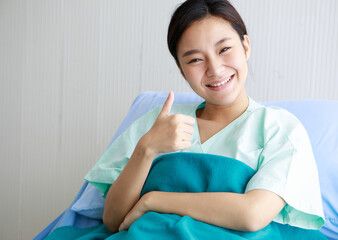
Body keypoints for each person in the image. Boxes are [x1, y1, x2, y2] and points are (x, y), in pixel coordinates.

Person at [85, 0, 325, 234]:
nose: (215, 69)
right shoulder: (157, 124)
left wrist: (153, 200)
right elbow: (114, 221)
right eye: (195, 60)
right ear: (181, 69)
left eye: (224, 49)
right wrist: (146, 149)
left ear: (246, 46)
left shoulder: (279, 128)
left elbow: (252, 215)